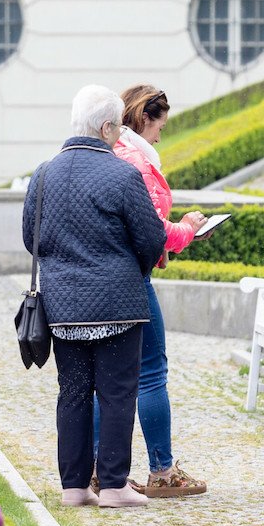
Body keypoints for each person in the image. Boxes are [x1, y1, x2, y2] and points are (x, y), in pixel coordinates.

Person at [22, 85, 166, 508]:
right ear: (106, 128)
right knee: (117, 392)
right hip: (118, 304)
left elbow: (31, 238)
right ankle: (115, 486)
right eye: (118, 125)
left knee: (73, 392)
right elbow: (151, 239)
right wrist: (129, 266)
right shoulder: (123, 176)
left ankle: (73, 488)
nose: (120, 133)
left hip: (64, 307)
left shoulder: (44, 174)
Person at [88, 84, 208, 498]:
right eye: (160, 126)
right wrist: (189, 229)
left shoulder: (108, 152)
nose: (161, 136)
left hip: (99, 277)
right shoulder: (137, 160)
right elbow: (154, 230)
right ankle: (162, 470)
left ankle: (97, 469)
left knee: (104, 378)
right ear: (144, 120)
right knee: (153, 373)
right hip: (133, 278)